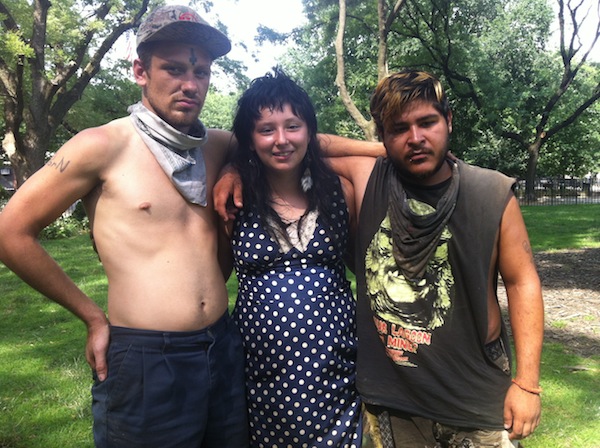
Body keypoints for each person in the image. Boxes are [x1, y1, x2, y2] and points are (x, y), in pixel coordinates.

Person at [215, 70, 544, 448]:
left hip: (474, 394)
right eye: (399, 128)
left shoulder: (491, 191)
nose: (416, 138)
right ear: (382, 135)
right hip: (393, 400)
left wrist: (527, 384)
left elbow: (523, 282)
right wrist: (235, 165)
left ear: (449, 121)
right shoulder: (368, 177)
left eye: (427, 122)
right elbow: (297, 144)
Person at [0, 5, 249, 447]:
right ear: (140, 70)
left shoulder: (217, 146)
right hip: (146, 362)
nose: (190, 85)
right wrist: (92, 317)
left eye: (202, 72)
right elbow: (9, 232)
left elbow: (300, 141)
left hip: (223, 348)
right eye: (173, 69)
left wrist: (235, 166)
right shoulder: (101, 146)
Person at [223, 68, 363, 447]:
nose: (281, 140)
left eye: (293, 126)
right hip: (262, 378)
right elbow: (216, 276)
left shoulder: (340, 192)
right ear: (250, 140)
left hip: (338, 374)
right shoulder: (234, 202)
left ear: (309, 133)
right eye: (266, 129)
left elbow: (359, 266)